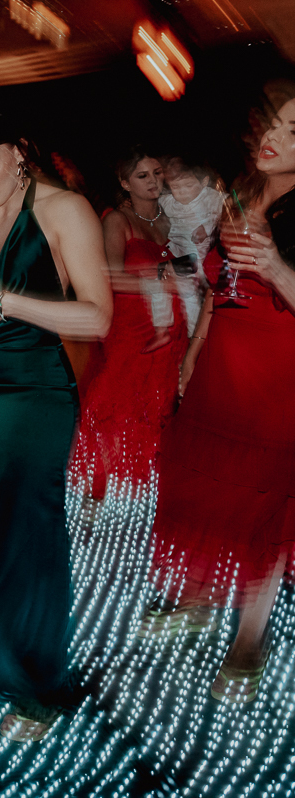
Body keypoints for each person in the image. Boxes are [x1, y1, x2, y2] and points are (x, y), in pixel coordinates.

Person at [0, 102, 111, 740]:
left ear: (18, 151)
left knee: (23, 540)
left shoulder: (63, 210)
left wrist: (12, 303)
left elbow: (97, 317)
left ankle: (36, 684)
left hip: (33, 395)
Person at [149, 87, 295, 703]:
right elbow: (218, 285)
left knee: (264, 500)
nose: (275, 137)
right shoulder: (242, 189)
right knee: (208, 484)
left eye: (294, 133)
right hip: (221, 363)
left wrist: (279, 267)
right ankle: (203, 597)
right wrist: (194, 351)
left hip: (276, 371)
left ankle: (250, 639)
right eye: (277, 123)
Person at [71, 148, 188, 503]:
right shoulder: (117, 220)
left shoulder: (173, 217)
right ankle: (108, 491)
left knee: (162, 404)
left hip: (171, 324)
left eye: (157, 172)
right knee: (120, 404)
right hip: (131, 329)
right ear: (124, 183)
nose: (153, 181)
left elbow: (189, 268)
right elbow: (109, 276)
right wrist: (159, 277)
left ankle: (148, 488)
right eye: (143, 176)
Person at [160, 156, 224, 335]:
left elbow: (229, 209)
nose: (182, 192)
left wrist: (207, 227)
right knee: (187, 296)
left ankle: (204, 330)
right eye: (176, 187)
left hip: (203, 256)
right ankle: (189, 332)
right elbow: (153, 203)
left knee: (206, 293)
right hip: (179, 255)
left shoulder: (210, 197)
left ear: (203, 182)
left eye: (188, 185)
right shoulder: (169, 201)